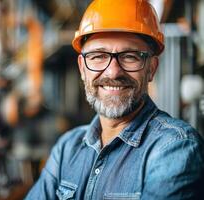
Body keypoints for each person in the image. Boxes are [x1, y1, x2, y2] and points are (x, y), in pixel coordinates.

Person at [25, 0, 204, 199]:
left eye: (129, 56)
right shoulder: (67, 148)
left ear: (151, 68)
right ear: (82, 68)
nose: (113, 71)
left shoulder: (175, 148)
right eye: (98, 56)